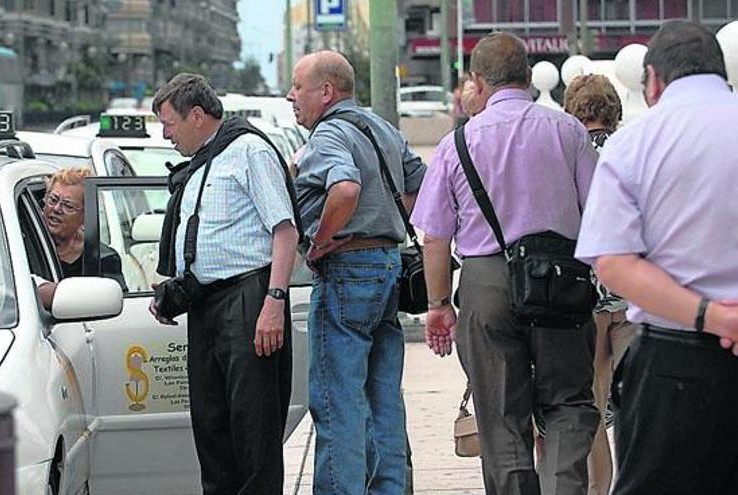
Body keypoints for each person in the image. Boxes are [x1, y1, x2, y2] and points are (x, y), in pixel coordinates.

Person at [411, 32, 599, 495]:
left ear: (477, 81)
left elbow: (435, 237)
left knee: (500, 415)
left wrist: (439, 305)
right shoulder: (568, 130)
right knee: (569, 402)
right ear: (529, 77)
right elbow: (600, 212)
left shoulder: (457, 144)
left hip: (486, 282)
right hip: (560, 278)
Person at [575, 20, 738, 494]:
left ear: (652, 81)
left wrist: (713, 316)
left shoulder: (633, 145)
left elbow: (613, 262)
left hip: (674, 359)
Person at [148, 73, 299, 494]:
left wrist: (274, 301)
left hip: (248, 299)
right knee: (212, 428)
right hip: (207, 305)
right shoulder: (203, 160)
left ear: (196, 116)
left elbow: (285, 231)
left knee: (253, 429)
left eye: (169, 124)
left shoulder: (248, 150)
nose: (165, 135)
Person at [287, 50, 427, 494]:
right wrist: (387, 221)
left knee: (336, 402)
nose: (291, 96)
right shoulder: (381, 126)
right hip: (388, 267)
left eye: (297, 87)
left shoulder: (329, 134)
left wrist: (323, 240)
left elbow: (344, 187)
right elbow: (420, 182)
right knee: (384, 397)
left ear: (326, 92)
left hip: (346, 269)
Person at [561, 73, 634, 495]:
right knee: (636, 403)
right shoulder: (629, 150)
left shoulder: (568, 155)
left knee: (593, 405)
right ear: (613, 110)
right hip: (633, 294)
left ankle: (598, 489)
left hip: (586, 296)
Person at [36, 167, 127, 308]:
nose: (56, 209)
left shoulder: (102, 259)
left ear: (85, 216)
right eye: (53, 200)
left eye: (68, 206)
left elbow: (114, 306)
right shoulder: (23, 242)